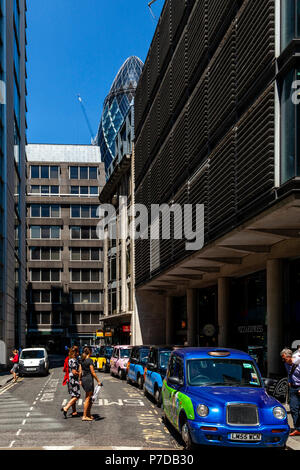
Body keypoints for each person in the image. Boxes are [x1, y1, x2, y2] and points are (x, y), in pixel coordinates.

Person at [79, 346, 102, 421]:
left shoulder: (81, 360)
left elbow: (80, 371)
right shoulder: (90, 360)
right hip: (89, 379)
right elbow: (93, 372)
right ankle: (84, 416)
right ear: (90, 352)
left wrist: (80, 379)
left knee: (89, 396)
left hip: (84, 379)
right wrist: (98, 381)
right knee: (88, 398)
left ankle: (88, 414)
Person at [281, 347, 300, 436]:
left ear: (289, 357)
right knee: (293, 408)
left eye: (284, 358)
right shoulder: (286, 364)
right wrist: (289, 381)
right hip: (293, 388)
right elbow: (289, 373)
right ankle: (298, 428)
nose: (283, 360)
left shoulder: (298, 363)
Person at [61, 346, 81, 419]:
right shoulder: (73, 360)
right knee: (77, 395)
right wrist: (81, 374)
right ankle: (66, 407)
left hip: (70, 379)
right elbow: (74, 372)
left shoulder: (70, 359)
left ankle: (74, 412)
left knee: (73, 395)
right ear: (75, 352)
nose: (79, 353)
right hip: (73, 380)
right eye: (78, 351)